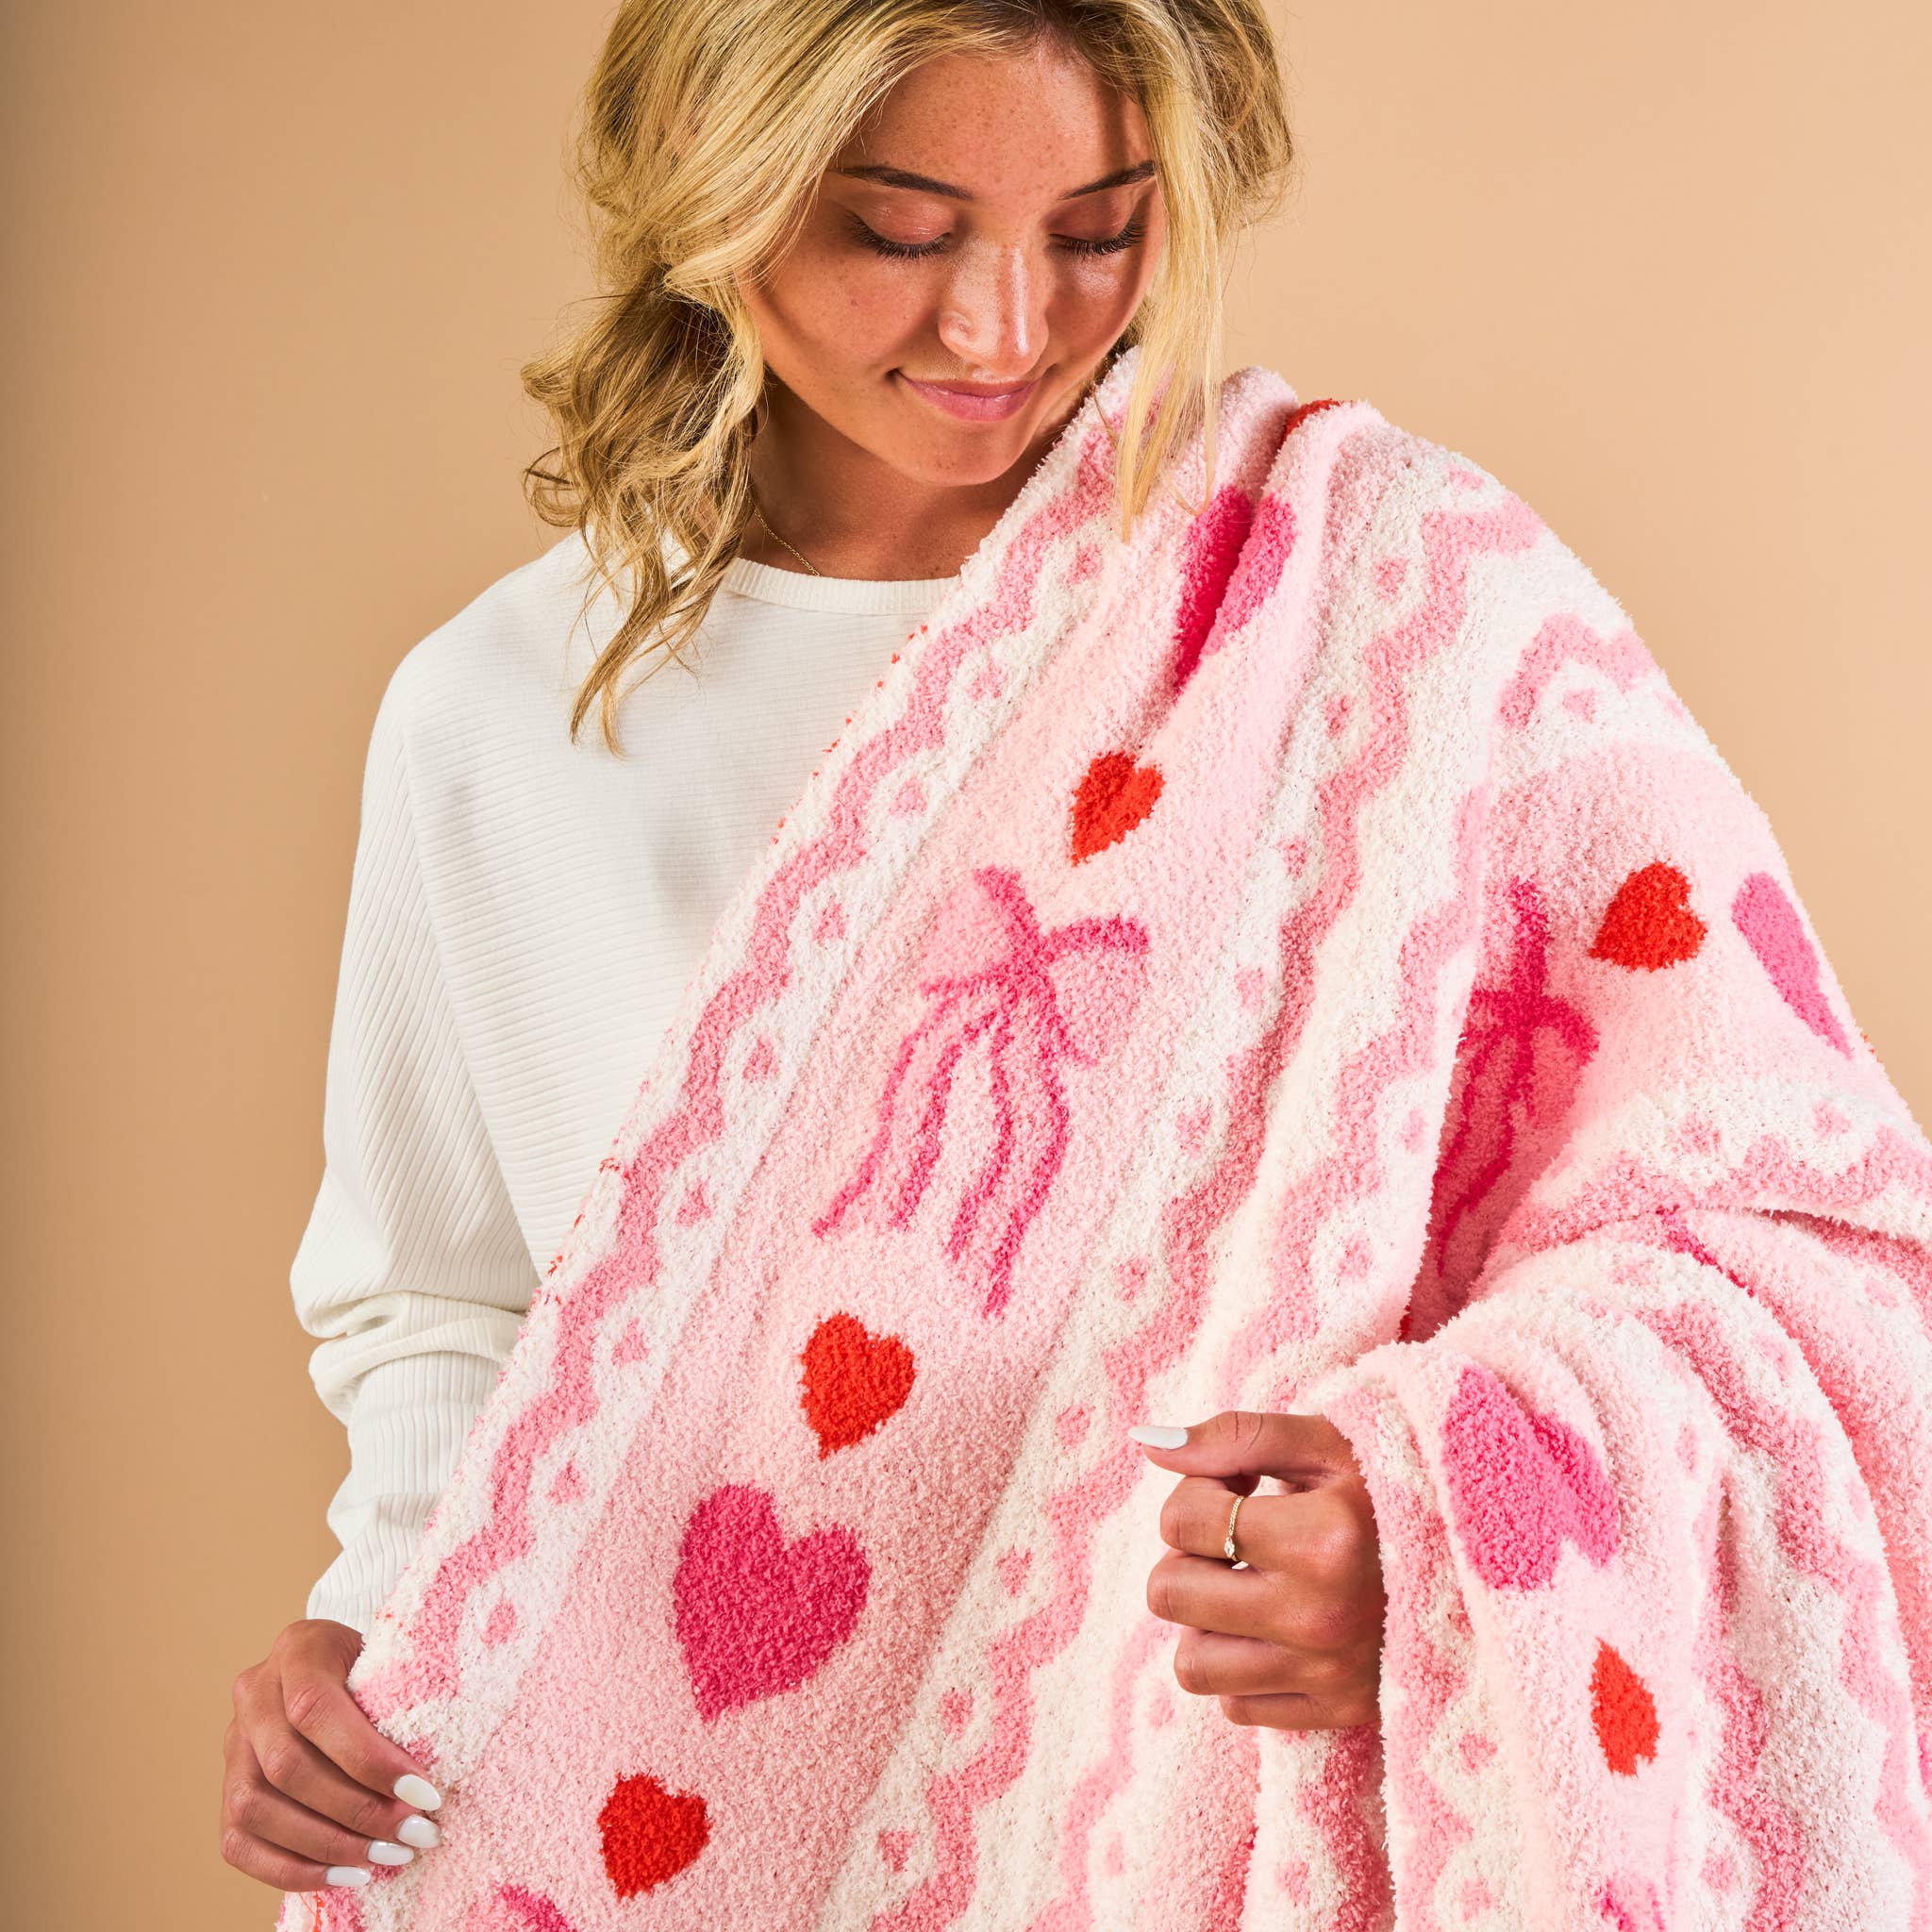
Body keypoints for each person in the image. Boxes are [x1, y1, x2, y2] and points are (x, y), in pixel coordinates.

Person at [220, 2, 1932, 1924]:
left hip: (1183, 1814)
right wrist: (365, 1636)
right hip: (636, 1814)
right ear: (714, 180)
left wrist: (1447, 1530)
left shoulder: (1397, 614)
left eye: (1099, 231)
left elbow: (1801, 1230)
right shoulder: (493, 721)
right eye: (899, 229)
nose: (1004, 327)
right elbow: (441, 1304)